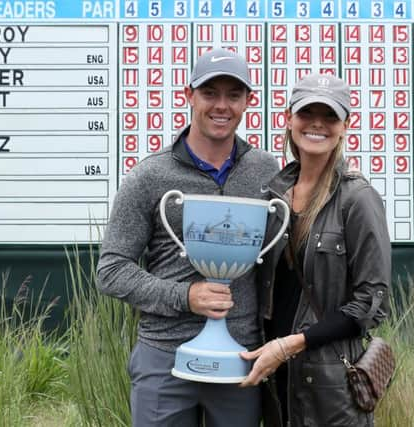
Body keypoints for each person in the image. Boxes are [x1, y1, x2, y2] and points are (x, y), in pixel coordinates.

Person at [96, 47, 279, 427]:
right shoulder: (150, 176)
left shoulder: (265, 170)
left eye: (233, 95)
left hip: (241, 359)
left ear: (249, 101)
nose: (221, 106)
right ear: (189, 95)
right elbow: (111, 270)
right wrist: (185, 297)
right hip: (164, 357)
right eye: (210, 93)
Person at [239, 73, 392, 427]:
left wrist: (291, 344)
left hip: (330, 387)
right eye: (307, 113)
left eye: (330, 116)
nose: (317, 124)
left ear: (345, 125)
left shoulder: (358, 199)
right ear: (288, 118)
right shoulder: (272, 196)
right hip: (275, 380)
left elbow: (372, 303)